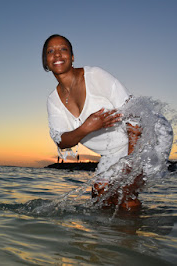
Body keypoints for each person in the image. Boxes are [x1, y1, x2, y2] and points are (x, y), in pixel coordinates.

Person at [44, 34, 143, 210]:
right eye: (51, 51)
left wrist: (132, 163)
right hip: (112, 153)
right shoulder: (53, 100)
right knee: (100, 202)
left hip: (144, 139)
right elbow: (61, 140)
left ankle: (133, 236)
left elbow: (134, 115)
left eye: (63, 49)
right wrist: (86, 128)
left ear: (72, 57)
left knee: (125, 197)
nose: (57, 54)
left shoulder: (95, 76)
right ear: (46, 62)